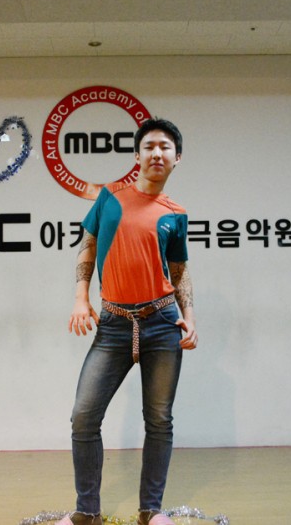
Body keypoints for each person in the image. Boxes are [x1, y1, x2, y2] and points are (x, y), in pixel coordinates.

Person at [57, 118, 198, 525]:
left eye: (165, 147)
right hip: (114, 325)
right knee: (84, 416)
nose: (157, 153)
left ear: (177, 158)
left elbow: (179, 271)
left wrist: (189, 317)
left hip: (162, 322)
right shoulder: (110, 198)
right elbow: (87, 247)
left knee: (159, 420)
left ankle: (151, 511)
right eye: (149, 146)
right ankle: (87, 512)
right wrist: (81, 298)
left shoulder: (175, 213)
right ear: (137, 155)